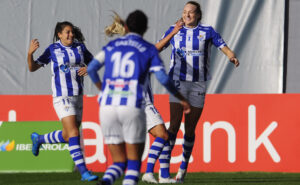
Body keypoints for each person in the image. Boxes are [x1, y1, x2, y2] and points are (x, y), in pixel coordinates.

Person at [87, 10, 191, 185]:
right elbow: (163, 78)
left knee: (119, 162)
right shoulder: (146, 48)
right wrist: (180, 97)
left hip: (107, 106)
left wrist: (102, 89)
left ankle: (110, 180)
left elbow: (91, 69)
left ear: (126, 27)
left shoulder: (112, 46)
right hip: (134, 103)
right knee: (144, 153)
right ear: (145, 29)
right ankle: (150, 173)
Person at [155, 1, 240, 183]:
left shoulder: (207, 31)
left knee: (190, 128)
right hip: (177, 82)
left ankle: (183, 167)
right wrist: (171, 34)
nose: (187, 15)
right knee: (174, 125)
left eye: (191, 13)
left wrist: (231, 55)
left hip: (198, 84)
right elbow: (158, 47)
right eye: (185, 12)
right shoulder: (174, 29)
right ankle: (164, 172)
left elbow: (222, 45)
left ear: (198, 15)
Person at [104, 13, 176, 184]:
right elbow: (155, 49)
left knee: (164, 136)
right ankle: (149, 172)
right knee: (163, 135)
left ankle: (164, 175)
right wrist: (173, 33)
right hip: (141, 101)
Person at [27, 21, 98, 181]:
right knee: (74, 133)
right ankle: (84, 172)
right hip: (62, 96)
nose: (71, 35)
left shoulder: (80, 47)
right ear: (59, 34)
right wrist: (30, 54)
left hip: (78, 96)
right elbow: (32, 68)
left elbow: (95, 62)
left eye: (72, 32)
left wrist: (89, 68)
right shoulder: (53, 49)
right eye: (67, 32)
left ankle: (39, 139)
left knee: (68, 135)